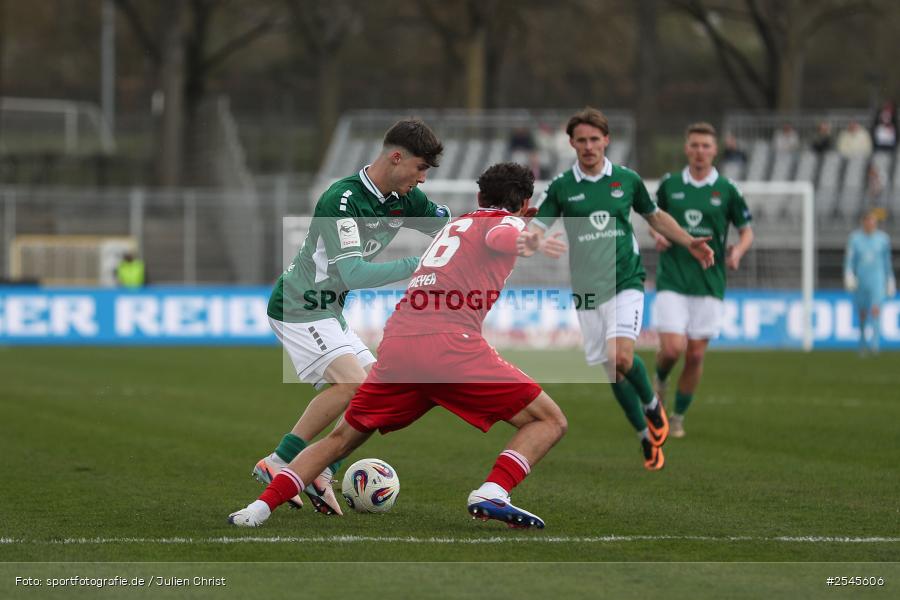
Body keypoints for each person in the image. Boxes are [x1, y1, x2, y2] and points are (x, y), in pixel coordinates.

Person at [228, 163, 569, 529]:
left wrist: (520, 225)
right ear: (524, 203)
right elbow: (501, 236)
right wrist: (526, 236)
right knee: (549, 420)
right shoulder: (508, 224)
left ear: (479, 197)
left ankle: (257, 510)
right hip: (450, 346)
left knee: (341, 439)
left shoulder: (456, 224)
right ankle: (493, 491)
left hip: (400, 344)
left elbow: (490, 230)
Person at [256, 119, 451, 514]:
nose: (423, 179)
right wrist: (421, 264)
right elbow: (354, 273)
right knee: (353, 386)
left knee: (376, 393)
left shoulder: (405, 197)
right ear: (396, 158)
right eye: (420, 168)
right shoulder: (341, 200)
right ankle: (279, 463)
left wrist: (500, 223)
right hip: (299, 303)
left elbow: (449, 229)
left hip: (329, 309)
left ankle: (324, 470)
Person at [529, 107, 715, 470]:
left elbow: (655, 216)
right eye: (581, 140)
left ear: (606, 140)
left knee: (622, 358)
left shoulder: (627, 180)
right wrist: (532, 239)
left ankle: (652, 405)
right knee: (611, 371)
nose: (588, 146)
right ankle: (645, 437)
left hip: (626, 280)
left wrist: (687, 241)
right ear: (571, 143)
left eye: (594, 139)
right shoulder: (562, 187)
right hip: (585, 290)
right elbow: (538, 225)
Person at [650, 123, 754, 438]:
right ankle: (661, 380)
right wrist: (656, 234)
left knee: (695, 354)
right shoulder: (669, 185)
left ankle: (678, 417)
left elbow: (746, 230)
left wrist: (737, 252)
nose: (700, 151)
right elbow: (652, 217)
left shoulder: (727, 189)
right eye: (694, 145)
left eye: (706, 146)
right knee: (671, 350)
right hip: (672, 278)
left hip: (709, 281)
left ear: (714, 150)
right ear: (686, 148)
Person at [844, 208, 895, 355]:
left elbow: (887, 262)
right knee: (862, 313)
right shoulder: (855, 239)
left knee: (876, 310)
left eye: (873, 221)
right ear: (863, 222)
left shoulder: (883, 239)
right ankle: (862, 343)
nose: (871, 223)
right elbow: (850, 259)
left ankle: (875, 345)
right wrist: (848, 274)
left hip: (877, 279)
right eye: (868, 220)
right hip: (861, 279)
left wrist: (890, 279)